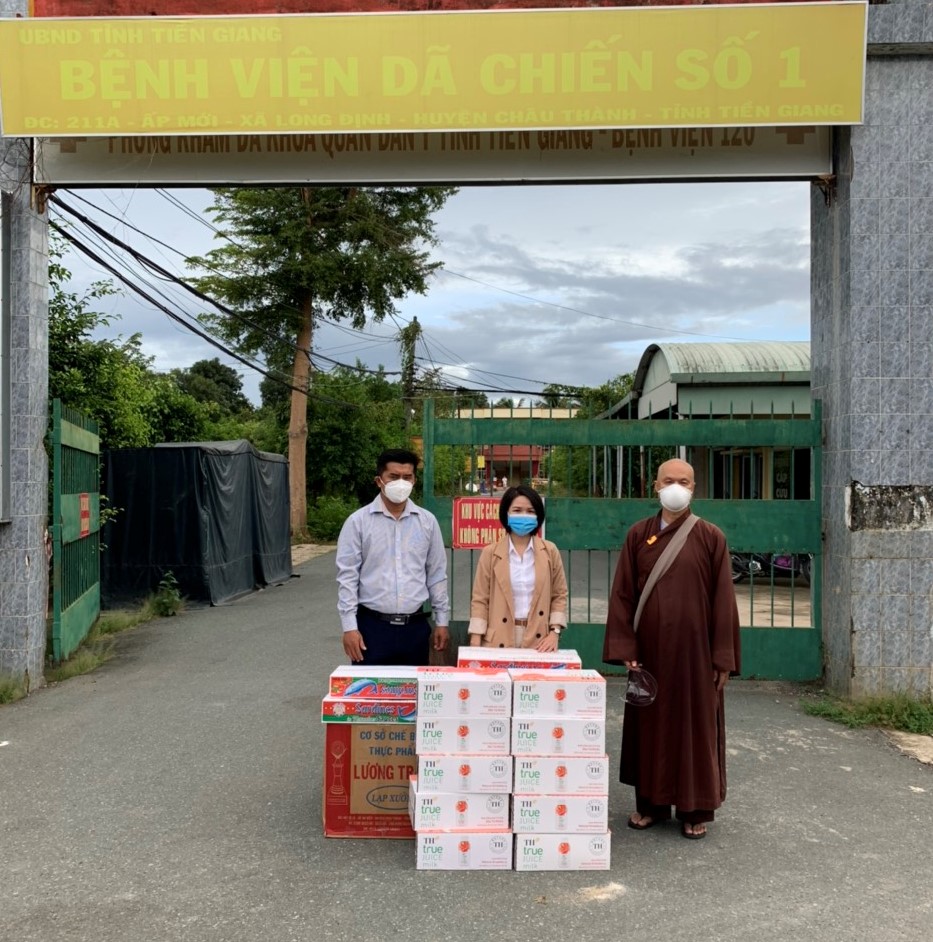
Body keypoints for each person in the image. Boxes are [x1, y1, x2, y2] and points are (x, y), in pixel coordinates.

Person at [602, 458, 740, 840]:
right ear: (655, 486)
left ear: (693, 488)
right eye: (668, 480)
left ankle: (695, 809)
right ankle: (651, 805)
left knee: (695, 727)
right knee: (650, 726)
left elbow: (724, 601)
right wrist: (625, 644)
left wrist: (722, 658)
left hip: (696, 655)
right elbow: (623, 594)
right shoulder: (637, 535)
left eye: (683, 481)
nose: (675, 487)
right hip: (648, 654)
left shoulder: (711, 537)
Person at [336, 448, 450, 665]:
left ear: (414, 480)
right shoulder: (358, 523)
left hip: (415, 629)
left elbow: (436, 574)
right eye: (394, 476)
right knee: (370, 696)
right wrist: (349, 627)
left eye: (407, 477)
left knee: (413, 696)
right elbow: (347, 578)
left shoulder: (427, 522)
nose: (401, 482)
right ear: (379, 480)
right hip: (371, 629)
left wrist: (442, 621)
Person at [468, 484, 568, 651]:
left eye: (530, 511)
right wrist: (475, 641)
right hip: (497, 639)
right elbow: (480, 599)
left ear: (538, 516)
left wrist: (554, 632)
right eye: (517, 510)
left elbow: (559, 595)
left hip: (540, 640)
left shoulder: (550, 551)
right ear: (506, 514)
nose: (524, 515)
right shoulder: (490, 553)